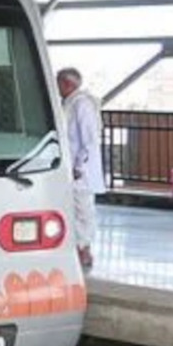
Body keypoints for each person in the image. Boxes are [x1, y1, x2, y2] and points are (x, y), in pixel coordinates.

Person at [56, 68, 105, 271]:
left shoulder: (82, 104)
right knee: (73, 208)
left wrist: (79, 166)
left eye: (59, 83)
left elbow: (89, 140)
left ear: (67, 84)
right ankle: (76, 246)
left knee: (83, 209)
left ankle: (84, 248)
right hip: (71, 167)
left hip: (80, 170)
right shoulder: (70, 103)